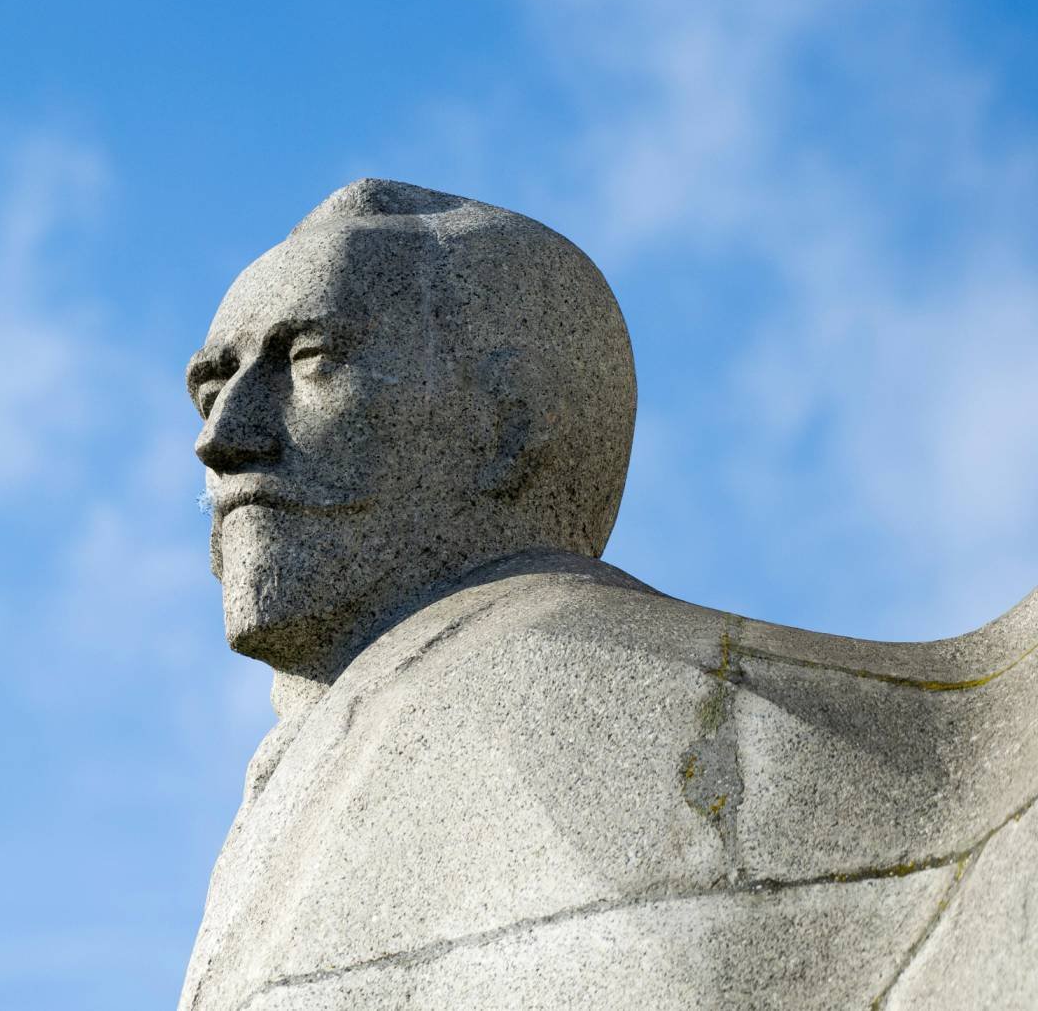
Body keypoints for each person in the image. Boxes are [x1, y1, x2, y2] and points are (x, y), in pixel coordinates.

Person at [178, 179, 1038, 1010]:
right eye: (212, 390)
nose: (221, 439)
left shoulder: (547, 691)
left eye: (311, 360)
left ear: (509, 424)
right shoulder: (329, 756)